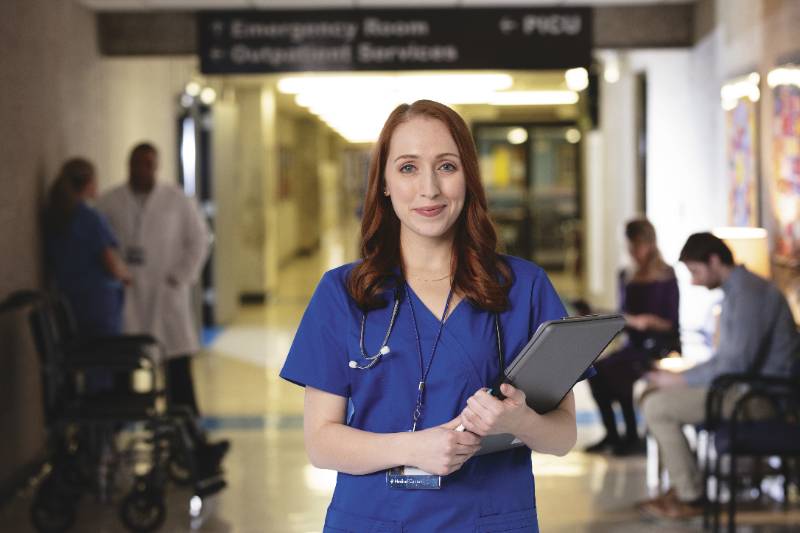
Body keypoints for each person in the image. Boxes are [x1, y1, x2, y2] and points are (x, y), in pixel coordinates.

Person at [280, 100, 591, 531]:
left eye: (446, 166)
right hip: (375, 519)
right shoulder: (343, 293)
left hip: (488, 519)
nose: (429, 189)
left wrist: (520, 420)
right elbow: (321, 442)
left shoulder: (524, 287)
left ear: (468, 177)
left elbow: (563, 436)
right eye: (408, 168)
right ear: (384, 183)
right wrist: (413, 448)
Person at [639, 232, 799, 520]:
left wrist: (679, 379)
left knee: (657, 406)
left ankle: (691, 495)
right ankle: (682, 486)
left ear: (714, 261)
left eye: (695, 271)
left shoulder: (751, 294)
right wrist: (679, 377)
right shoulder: (738, 292)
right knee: (649, 393)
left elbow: (736, 364)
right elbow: (728, 361)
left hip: (759, 398)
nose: (693, 280)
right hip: (740, 390)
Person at [96, 143, 227, 479]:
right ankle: (107, 445)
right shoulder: (109, 202)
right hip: (129, 299)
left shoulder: (176, 201)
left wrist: (180, 277)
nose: (143, 169)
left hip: (167, 298)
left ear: (157, 166)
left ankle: (193, 445)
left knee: (179, 376)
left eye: (150, 164)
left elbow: (200, 240)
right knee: (123, 375)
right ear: (129, 165)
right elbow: (100, 245)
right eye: (138, 163)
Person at [585, 219, 680, 456]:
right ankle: (612, 434)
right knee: (595, 371)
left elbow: (671, 322)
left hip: (658, 344)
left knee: (620, 371)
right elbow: (623, 314)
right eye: (630, 247)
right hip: (633, 343)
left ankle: (631, 435)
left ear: (649, 244)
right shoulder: (626, 275)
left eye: (638, 246)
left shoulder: (666, 275)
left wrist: (647, 321)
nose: (634, 252)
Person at [44, 158, 131, 392]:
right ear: (90, 183)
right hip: (98, 305)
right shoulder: (90, 218)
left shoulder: (56, 218)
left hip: (69, 302)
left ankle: (87, 421)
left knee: (81, 361)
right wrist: (126, 275)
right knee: (102, 363)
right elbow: (110, 264)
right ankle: (102, 424)